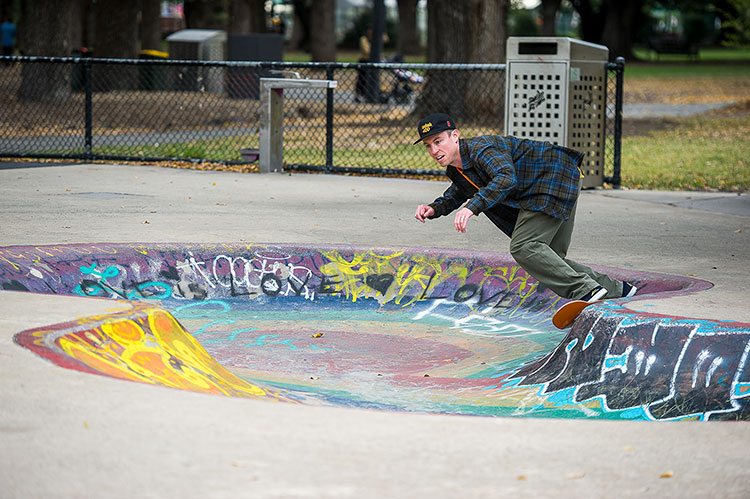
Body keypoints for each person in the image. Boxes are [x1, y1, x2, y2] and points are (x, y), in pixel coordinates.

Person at [413, 113, 637, 303]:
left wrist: (472, 207)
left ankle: (586, 290)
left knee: (524, 247)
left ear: (455, 136)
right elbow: (457, 192)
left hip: (552, 177)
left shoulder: (482, 149)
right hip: (557, 179)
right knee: (549, 258)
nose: (434, 150)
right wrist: (434, 208)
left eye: (438, 141)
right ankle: (619, 291)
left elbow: (505, 177)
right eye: (428, 146)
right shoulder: (457, 169)